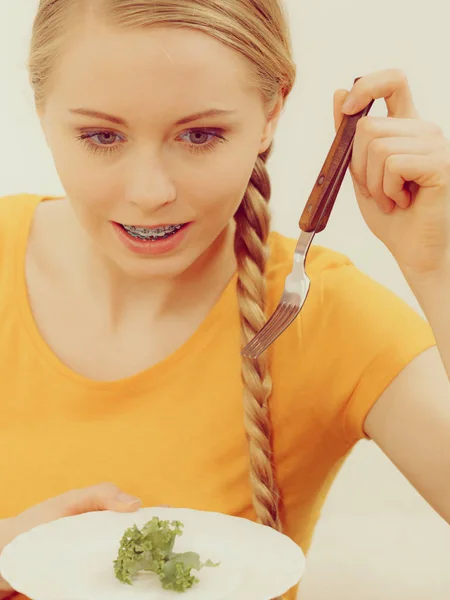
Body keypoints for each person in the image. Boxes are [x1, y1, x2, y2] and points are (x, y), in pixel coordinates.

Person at [0, 1, 449, 599]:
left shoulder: (320, 315)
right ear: (40, 110)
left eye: (201, 135)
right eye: (101, 136)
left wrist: (438, 265)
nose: (151, 192)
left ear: (271, 113)